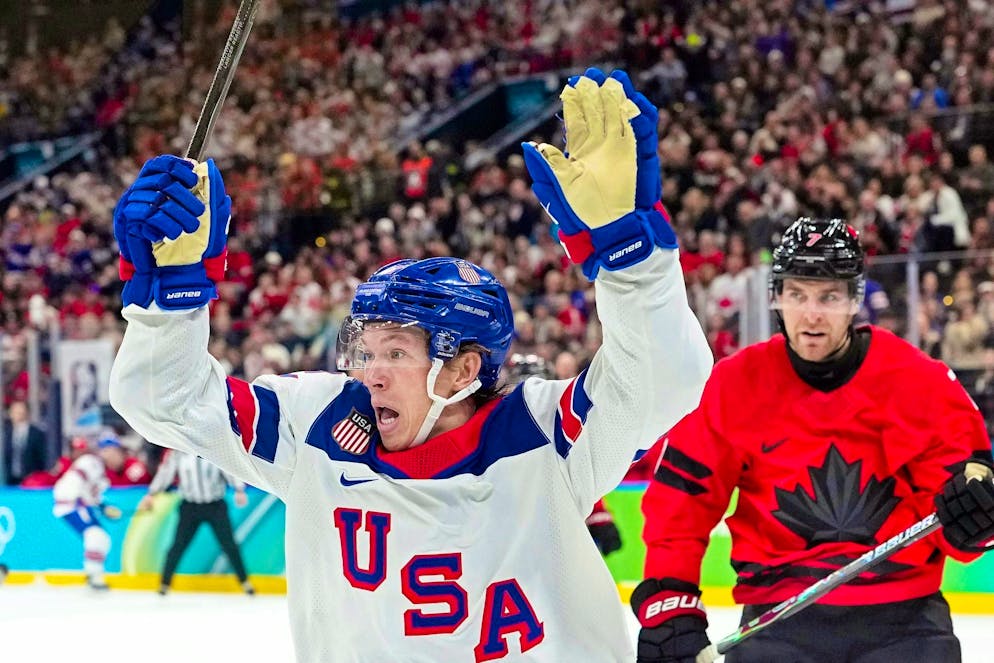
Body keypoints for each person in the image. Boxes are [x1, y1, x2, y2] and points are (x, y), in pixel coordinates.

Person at [109, 68, 712, 661]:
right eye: (365, 350)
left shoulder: (542, 437)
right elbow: (166, 401)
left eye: (396, 352)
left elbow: (665, 378)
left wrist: (629, 252)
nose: (369, 372)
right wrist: (171, 302)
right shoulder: (314, 427)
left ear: (463, 370)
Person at [632, 217, 994, 663]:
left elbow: (965, 520)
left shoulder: (919, 381)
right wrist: (670, 606)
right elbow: (681, 504)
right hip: (777, 626)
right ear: (777, 298)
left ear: (854, 300)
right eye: (797, 295)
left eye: (829, 296)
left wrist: (975, 515)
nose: (812, 314)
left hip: (905, 624)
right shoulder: (733, 387)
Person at [139, 450, 254, 596]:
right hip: (190, 506)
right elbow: (165, 474)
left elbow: (229, 470)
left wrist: (239, 489)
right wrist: (151, 494)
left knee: (229, 545)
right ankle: (164, 584)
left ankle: (245, 582)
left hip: (215, 505)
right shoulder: (178, 452)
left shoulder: (214, 449)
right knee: (178, 545)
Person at [52, 439, 122, 590]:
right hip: (71, 503)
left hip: (79, 504)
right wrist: (80, 501)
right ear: (107, 451)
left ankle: (94, 575)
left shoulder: (102, 475)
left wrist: (103, 507)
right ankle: (93, 577)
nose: (120, 457)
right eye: (117, 452)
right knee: (95, 535)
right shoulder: (91, 462)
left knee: (103, 539)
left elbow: (93, 496)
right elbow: (74, 483)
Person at [2, 400, 47, 485]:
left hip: (31, 480)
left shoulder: (36, 434)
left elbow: (42, 457)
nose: (18, 414)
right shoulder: (6, 434)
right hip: (11, 479)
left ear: (26, 413)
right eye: (15, 412)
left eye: (20, 411)